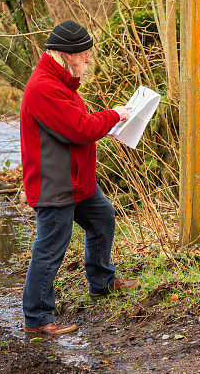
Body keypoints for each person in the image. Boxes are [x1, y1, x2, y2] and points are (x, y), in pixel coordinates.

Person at [20, 20, 139, 336]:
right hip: (55, 186)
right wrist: (114, 115)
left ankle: (101, 283)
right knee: (49, 251)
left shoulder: (59, 82)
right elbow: (80, 129)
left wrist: (107, 121)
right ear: (66, 54)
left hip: (77, 182)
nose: (88, 60)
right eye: (84, 54)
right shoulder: (43, 87)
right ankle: (38, 319)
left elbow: (79, 124)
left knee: (102, 220)